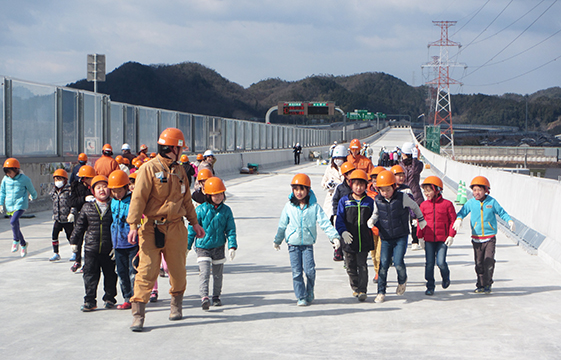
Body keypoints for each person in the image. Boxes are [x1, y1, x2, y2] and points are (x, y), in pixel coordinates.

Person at [127, 128, 204, 332]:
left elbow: (186, 200)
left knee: (178, 270)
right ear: (172, 148)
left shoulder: (180, 171)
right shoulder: (148, 169)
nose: (181, 151)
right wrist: (133, 224)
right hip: (152, 228)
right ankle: (138, 315)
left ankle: (176, 305)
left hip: (176, 227)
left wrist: (194, 223)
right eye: (180, 148)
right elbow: (138, 198)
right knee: (147, 270)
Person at [275, 174, 340, 306]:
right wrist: (278, 240)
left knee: (310, 270)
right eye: (296, 189)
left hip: (307, 245)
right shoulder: (289, 206)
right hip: (293, 244)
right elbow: (282, 224)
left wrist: (334, 237)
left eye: (302, 189)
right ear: (292, 190)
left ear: (308, 190)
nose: (299, 192)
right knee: (297, 272)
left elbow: (325, 223)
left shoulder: (314, 207)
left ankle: (310, 291)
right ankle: (301, 296)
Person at [367, 170, 426, 303]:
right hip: (386, 237)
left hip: (400, 236)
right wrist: (372, 220)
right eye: (382, 190)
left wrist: (420, 219)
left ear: (394, 187)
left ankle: (402, 281)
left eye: (388, 189)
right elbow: (376, 214)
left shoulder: (402, 197)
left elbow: (415, 206)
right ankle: (381, 292)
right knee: (383, 264)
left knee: (398, 262)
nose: (385, 193)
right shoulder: (377, 200)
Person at [453, 176, 515, 294]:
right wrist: (459, 219)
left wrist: (509, 221)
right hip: (476, 239)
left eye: (479, 190)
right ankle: (480, 285)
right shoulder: (470, 203)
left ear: (486, 190)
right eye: (475, 190)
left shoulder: (491, 202)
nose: (477, 192)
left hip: (490, 237)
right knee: (479, 263)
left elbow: (502, 212)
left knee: (489, 261)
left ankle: (488, 283)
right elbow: (462, 212)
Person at [69, 175, 117, 312]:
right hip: (91, 248)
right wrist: (74, 241)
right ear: (93, 191)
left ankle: (110, 298)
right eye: (98, 187)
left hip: (109, 248)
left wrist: (117, 245)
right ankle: (90, 300)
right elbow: (79, 227)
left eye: (105, 186)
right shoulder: (87, 207)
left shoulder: (114, 206)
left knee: (110, 274)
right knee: (90, 275)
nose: (102, 190)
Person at [188, 177, 237, 309]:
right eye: (215, 194)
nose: (219, 197)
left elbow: (231, 229)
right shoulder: (200, 210)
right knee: (204, 273)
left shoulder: (226, 211)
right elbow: (192, 229)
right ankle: (204, 297)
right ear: (208, 195)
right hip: (202, 247)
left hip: (219, 246)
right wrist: (187, 246)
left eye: (221, 193)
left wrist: (232, 246)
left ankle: (216, 296)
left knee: (217, 274)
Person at [335, 170, 375, 302]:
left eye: (362, 185)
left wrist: (374, 225)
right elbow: (339, 218)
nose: (359, 188)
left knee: (362, 265)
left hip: (364, 240)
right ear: (351, 185)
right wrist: (342, 231)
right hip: (348, 241)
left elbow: (376, 217)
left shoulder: (369, 201)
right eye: (356, 184)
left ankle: (363, 290)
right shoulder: (344, 201)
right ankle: (355, 287)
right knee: (350, 266)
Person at [417, 176, 457, 296]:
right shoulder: (423, 205)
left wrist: (451, 235)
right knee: (429, 263)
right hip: (429, 239)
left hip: (442, 240)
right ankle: (430, 286)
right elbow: (420, 222)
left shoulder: (447, 204)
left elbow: (453, 221)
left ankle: (446, 277)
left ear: (437, 190)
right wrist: (420, 237)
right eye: (425, 191)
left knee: (440, 262)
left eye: (429, 190)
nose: (426, 193)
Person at [108, 170, 138, 310]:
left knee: (133, 272)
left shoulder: (133, 201)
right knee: (121, 272)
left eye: (119, 190)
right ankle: (127, 297)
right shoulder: (113, 202)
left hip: (132, 243)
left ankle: (136, 297)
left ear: (126, 187)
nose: (116, 194)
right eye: (114, 191)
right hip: (118, 244)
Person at [0, 158, 38, 257]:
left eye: (10, 172)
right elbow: (2, 192)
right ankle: (23, 244)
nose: (8, 174)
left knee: (13, 222)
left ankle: (16, 240)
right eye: (6, 172)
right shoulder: (5, 180)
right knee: (15, 226)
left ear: (16, 169)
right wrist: (1, 204)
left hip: (20, 204)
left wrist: (33, 196)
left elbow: (32, 189)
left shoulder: (24, 179)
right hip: (9, 205)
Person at [69, 165, 96, 272]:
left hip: (91, 217)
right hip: (80, 215)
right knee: (79, 239)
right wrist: (84, 199)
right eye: (90, 178)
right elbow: (72, 201)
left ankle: (87, 263)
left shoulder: (94, 187)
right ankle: (77, 260)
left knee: (89, 240)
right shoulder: (76, 186)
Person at [392, 164, 421, 251]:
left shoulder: (406, 189)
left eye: (402, 176)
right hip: (392, 216)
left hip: (403, 216)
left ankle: (414, 241)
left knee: (406, 231)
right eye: (398, 176)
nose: (401, 178)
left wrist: (414, 217)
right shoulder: (388, 189)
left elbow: (412, 204)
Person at [330, 161, 356, 261]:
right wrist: (336, 213)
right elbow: (335, 200)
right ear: (345, 175)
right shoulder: (340, 188)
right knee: (340, 234)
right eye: (350, 173)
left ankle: (350, 254)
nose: (352, 174)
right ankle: (339, 251)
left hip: (353, 216)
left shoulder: (356, 187)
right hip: (341, 215)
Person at [49, 169, 74, 261]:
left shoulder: (69, 190)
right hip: (58, 218)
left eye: (59, 179)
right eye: (56, 179)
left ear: (65, 180)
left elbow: (73, 203)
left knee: (70, 236)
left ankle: (74, 253)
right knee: (54, 235)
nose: (57, 181)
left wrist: (72, 213)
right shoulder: (54, 191)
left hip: (67, 219)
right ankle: (56, 253)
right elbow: (54, 202)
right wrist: (54, 214)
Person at [366, 166, 385, 282]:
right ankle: (377, 271)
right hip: (371, 229)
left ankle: (381, 274)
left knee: (379, 255)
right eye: (373, 179)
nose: (375, 182)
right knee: (373, 254)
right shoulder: (367, 194)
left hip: (384, 229)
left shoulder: (387, 193)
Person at [321, 145, 346, 221]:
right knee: (330, 219)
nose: (337, 160)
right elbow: (323, 182)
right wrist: (327, 185)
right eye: (335, 158)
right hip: (331, 196)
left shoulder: (347, 168)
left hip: (343, 197)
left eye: (339, 158)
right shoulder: (330, 168)